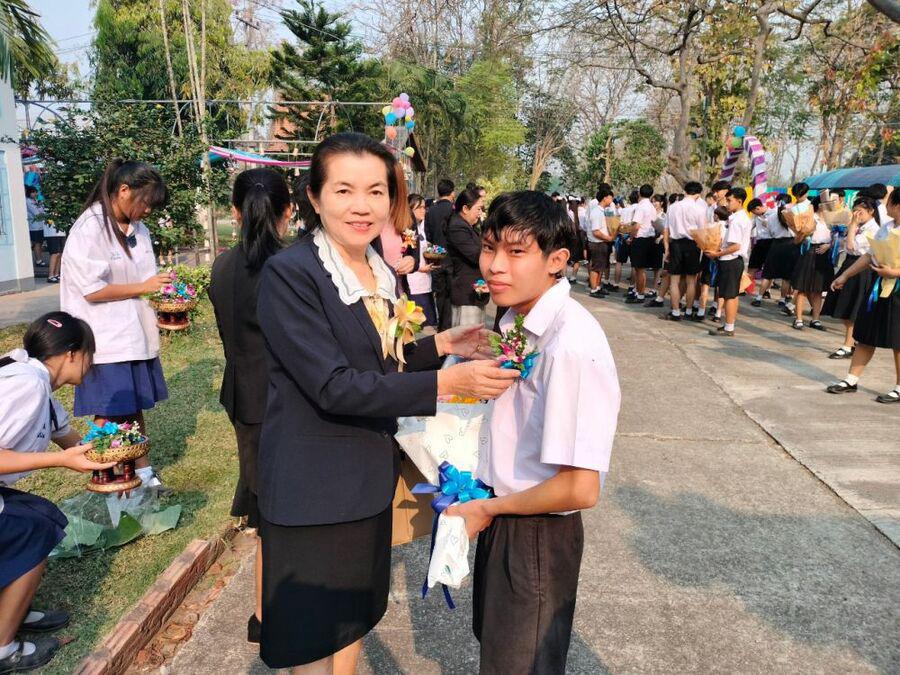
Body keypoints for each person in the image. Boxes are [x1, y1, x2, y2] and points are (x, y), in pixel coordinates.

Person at [253, 132, 520, 673]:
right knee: (314, 639)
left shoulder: (374, 267)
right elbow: (334, 384)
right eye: (344, 190)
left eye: (376, 191)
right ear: (314, 197)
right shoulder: (292, 274)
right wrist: (446, 383)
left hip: (366, 479)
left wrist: (440, 346)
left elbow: (380, 360)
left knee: (353, 619)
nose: (362, 206)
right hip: (315, 489)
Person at [447, 190, 620, 675]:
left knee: (522, 664)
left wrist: (487, 508)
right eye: (489, 248)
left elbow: (580, 488)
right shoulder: (518, 319)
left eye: (517, 252)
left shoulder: (570, 345)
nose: (495, 266)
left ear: (556, 261)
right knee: (500, 654)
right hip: (506, 517)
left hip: (536, 534)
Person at [0, 312, 115, 674]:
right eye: (89, 354)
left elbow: (67, 437)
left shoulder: (37, 380)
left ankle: (14, 609)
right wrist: (61, 461)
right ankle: (3, 649)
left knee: (43, 515)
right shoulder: (28, 386)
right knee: (34, 532)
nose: (91, 364)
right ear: (72, 354)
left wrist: (112, 454)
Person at [209, 168, 291, 645]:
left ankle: (263, 614)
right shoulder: (294, 266)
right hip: (286, 402)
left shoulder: (221, 266)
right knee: (285, 513)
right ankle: (278, 612)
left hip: (245, 400)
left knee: (264, 513)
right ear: (288, 211)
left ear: (235, 213)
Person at [60, 159, 171, 489]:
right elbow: (92, 290)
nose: (147, 210)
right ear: (123, 191)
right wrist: (143, 287)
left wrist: (161, 292)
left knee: (133, 408)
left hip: (134, 335)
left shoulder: (139, 229)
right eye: (145, 202)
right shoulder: (90, 228)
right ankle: (104, 474)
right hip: (105, 338)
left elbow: (145, 277)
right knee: (109, 412)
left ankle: (144, 474)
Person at [826, 188, 900, 403]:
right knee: (866, 334)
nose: (885, 206)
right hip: (879, 286)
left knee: (898, 340)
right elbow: (869, 256)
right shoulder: (886, 227)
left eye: (888, 202)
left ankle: (899, 387)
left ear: (897, 205)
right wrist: (845, 275)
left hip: (897, 289)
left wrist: (894, 272)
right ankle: (851, 380)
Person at [823, 197, 880, 358]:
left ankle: (848, 345)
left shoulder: (873, 229)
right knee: (844, 305)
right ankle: (851, 342)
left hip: (860, 268)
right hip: (850, 264)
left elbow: (851, 246)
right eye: (855, 211)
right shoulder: (859, 226)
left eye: (860, 212)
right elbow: (843, 244)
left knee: (851, 308)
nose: (856, 215)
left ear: (871, 211)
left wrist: (853, 225)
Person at [705, 187, 752, 337]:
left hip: (731, 260)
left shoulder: (738, 220)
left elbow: (736, 246)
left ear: (739, 201)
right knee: (730, 294)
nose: (727, 203)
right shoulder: (738, 217)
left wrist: (717, 254)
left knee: (729, 295)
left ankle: (729, 327)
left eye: (730, 200)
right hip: (732, 260)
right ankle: (728, 324)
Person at [662, 181, 706, 321]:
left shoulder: (673, 207)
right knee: (691, 281)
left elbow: (666, 230)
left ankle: (675, 312)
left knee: (674, 281)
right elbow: (702, 231)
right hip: (693, 245)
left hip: (675, 244)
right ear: (698, 194)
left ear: (685, 191)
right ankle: (688, 311)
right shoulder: (699, 209)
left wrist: (667, 249)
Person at [446, 187, 489, 326]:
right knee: (467, 334)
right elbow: (476, 255)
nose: (480, 213)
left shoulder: (466, 226)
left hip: (473, 292)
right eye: (478, 209)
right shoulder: (458, 227)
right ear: (465, 208)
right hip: (466, 292)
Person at [790, 197, 833, 331]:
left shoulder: (832, 220)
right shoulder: (810, 218)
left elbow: (838, 238)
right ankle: (798, 319)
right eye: (827, 203)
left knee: (818, 290)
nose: (830, 206)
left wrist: (829, 245)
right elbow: (797, 240)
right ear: (819, 205)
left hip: (824, 255)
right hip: (809, 252)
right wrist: (804, 234)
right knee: (802, 288)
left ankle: (815, 319)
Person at [755, 193, 797, 310]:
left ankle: (758, 298)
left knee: (768, 273)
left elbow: (769, 231)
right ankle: (782, 300)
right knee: (786, 277)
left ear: (777, 201)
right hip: (790, 245)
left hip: (776, 244)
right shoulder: (792, 214)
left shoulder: (771, 216)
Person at [424, 179, 455, 330]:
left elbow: (428, 234)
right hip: (452, 258)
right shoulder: (454, 210)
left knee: (440, 293)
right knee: (451, 293)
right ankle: (448, 326)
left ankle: (441, 326)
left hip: (436, 257)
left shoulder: (431, 210)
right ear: (452, 192)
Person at [407, 193, 438, 327]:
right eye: (418, 208)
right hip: (413, 283)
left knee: (426, 324)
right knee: (414, 325)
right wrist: (419, 268)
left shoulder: (421, 227)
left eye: (424, 207)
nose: (423, 211)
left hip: (425, 282)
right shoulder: (407, 230)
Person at [625, 184, 657, 304]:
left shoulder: (641, 206)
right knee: (642, 269)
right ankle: (639, 293)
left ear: (639, 193)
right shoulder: (652, 207)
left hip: (640, 239)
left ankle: (640, 295)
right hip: (650, 239)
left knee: (639, 269)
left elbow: (636, 225)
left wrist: (630, 238)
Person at [586, 186, 615, 298]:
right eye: (610, 198)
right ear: (604, 198)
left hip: (602, 243)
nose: (612, 200)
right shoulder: (596, 212)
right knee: (596, 267)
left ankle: (597, 287)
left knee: (600, 267)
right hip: (597, 243)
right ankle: (593, 289)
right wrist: (608, 238)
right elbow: (596, 232)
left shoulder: (605, 211)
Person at [746, 198, 771, 289]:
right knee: (752, 266)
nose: (754, 214)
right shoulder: (756, 217)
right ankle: (747, 288)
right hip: (760, 242)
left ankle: (766, 291)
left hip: (771, 242)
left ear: (758, 208)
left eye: (754, 212)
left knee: (769, 268)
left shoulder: (773, 213)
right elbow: (749, 227)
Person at [41, 204, 66, 285]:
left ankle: (56, 274)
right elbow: (49, 221)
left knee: (60, 254)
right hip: (52, 234)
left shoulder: (62, 206)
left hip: (61, 233)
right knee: (55, 253)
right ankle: (50, 276)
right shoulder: (47, 207)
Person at [25, 187, 46, 268]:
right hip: (34, 226)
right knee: (36, 243)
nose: (35, 194)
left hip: (40, 226)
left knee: (40, 243)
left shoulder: (36, 201)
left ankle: (40, 259)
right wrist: (41, 212)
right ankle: (38, 260)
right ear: (29, 193)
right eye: (33, 192)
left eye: (36, 192)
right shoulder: (28, 201)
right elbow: (37, 213)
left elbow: (42, 211)